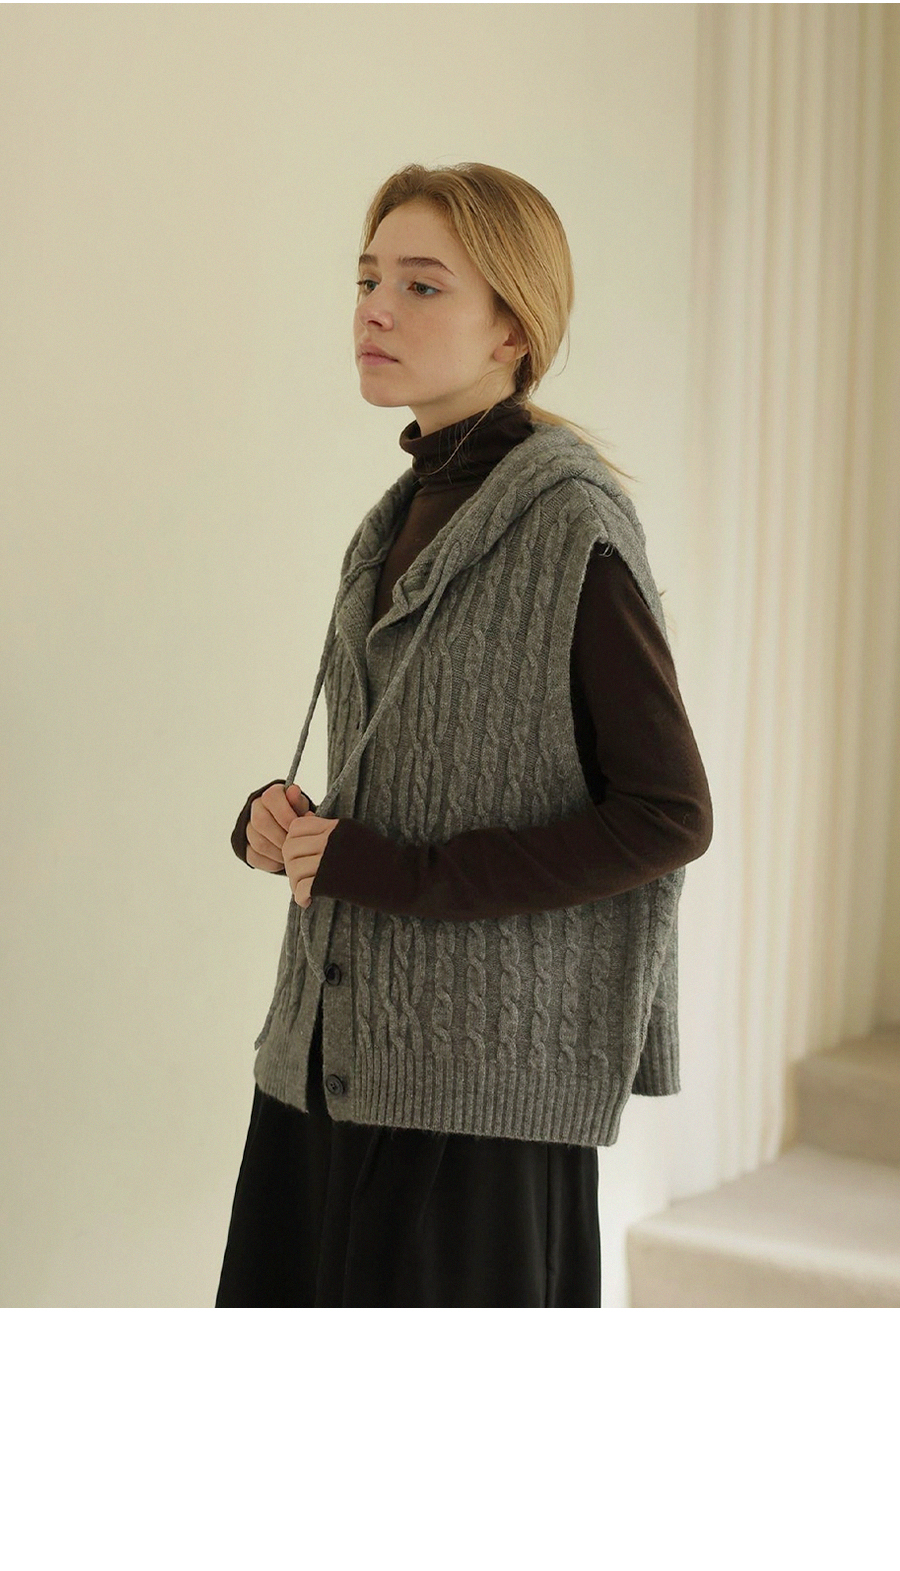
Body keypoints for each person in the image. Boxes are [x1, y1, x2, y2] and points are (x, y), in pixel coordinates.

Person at [215, 162, 713, 1308]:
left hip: (474, 1096)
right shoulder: (395, 516)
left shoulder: (570, 524)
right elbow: (407, 763)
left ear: (512, 329)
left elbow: (670, 815)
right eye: (367, 279)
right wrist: (278, 821)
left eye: (422, 285)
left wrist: (396, 871)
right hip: (325, 1059)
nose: (376, 310)